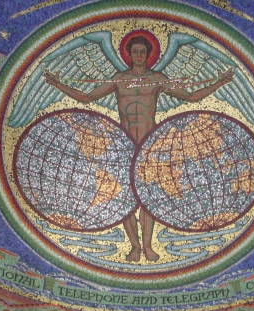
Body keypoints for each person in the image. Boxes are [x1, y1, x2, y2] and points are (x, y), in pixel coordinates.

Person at [44, 33, 233, 262]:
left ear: (149, 55)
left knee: (146, 197)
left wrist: (220, 82)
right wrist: (56, 84)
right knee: (125, 198)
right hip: (123, 143)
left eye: (143, 52)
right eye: (135, 52)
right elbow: (85, 98)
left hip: (148, 143)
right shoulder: (119, 79)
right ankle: (134, 246)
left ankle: (147, 245)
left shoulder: (157, 79)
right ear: (129, 54)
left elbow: (192, 97)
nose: (139, 56)